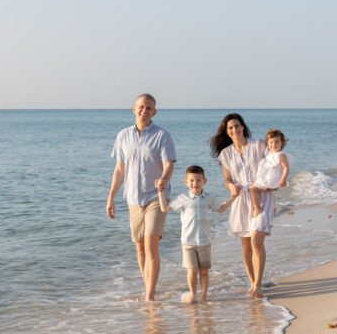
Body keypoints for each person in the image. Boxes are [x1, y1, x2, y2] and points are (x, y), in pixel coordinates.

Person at [107, 94, 176, 302]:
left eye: (149, 108)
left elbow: (169, 164)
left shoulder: (162, 135)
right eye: (141, 107)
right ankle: (148, 285)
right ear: (134, 109)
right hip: (133, 198)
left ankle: (150, 294)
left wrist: (164, 179)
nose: (144, 111)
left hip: (156, 197)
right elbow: (119, 169)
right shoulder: (123, 136)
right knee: (139, 247)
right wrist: (111, 198)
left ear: (154, 112)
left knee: (151, 244)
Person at [209, 113, 275, 298]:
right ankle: (252, 282)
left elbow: (275, 164)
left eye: (237, 126)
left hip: (262, 196)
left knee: (256, 241)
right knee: (246, 245)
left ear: (243, 127)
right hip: (241, 200)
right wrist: (231, 186)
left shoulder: (260, 145)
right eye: (230, 128)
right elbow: (227, 180)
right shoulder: (225, 154)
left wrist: (275, 181)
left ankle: (258, 285)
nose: (234, 130)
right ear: (226, 131)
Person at [158, 165, 236, 303]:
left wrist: (233, 197)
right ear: (186, 182)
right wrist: (160, 192)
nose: (195, 183)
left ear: (204, 181)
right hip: (188, 242)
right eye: (192, 181)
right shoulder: (183, 198)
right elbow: (164, 208)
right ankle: (193, 294)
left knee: (204, 272)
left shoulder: (209, 198)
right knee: (192, 271)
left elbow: (222, 209)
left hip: (205, 241)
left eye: (198, 180)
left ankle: (204, 295)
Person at [250, 129, 293, 224]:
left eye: (277, 142)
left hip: (272, 179)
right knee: (264, 193)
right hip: (270, 179)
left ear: (282, 143)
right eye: (271, 142)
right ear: (267, 143)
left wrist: (283, 179)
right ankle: (272, 208)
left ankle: (257, 209)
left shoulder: (281, 155)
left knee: (253, 189)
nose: (274, 145)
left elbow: (286, 168)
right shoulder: (272, 154)